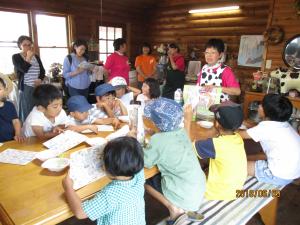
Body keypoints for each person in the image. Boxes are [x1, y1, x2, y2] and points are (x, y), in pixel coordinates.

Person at [142, 97, 206, 223]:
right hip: (198, 190)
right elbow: (169, 141)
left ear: (155, 123)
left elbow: (145, 162)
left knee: (145, 181)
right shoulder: (182, 132)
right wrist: (155, 133)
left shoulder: (157, 140)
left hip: (183, 194)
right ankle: (186, 208)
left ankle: (175, 209)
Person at [62, 136, 146, 225]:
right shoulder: (138, 176)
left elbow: (80, 213)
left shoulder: (111, 194)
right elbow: (129, 154)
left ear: (110, 168)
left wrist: (68, 188)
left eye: (102, 160)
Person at [189, 102, 247, 200]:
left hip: (216, 193)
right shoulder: (237, 138)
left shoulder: (214, 144)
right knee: (204, 160)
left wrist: (187, 120)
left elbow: (187, 148)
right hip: (234, 189)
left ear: (216, 123)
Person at [239, 94, 300, 186]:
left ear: (266, 112)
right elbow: (258, 129)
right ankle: (246, 159)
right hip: (292, 173)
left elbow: (238, 135)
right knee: (255, 154)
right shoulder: (283, 124)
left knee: (235, 165)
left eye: (262, 105)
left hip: (277, 176)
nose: (259, 106)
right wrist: (244, 122)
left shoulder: (265, 128)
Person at [12, 35, 45, 122]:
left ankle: (36, 129)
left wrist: (40, 79)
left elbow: (42, 71)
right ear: (20, 46)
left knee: (38, 108)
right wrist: (28, 57)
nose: (27, 47)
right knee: (27, 110)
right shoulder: (16, 57)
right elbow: (23, 69)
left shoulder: (36, 56)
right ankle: (26, 132)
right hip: (26, 87)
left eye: (29, 44)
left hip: (37, 86)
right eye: (24, 45)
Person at [0, 74, 24, 142]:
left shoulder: (9, 105)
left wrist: (18, 134)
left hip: (11, 140)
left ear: (5, 90)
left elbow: (16, 121)